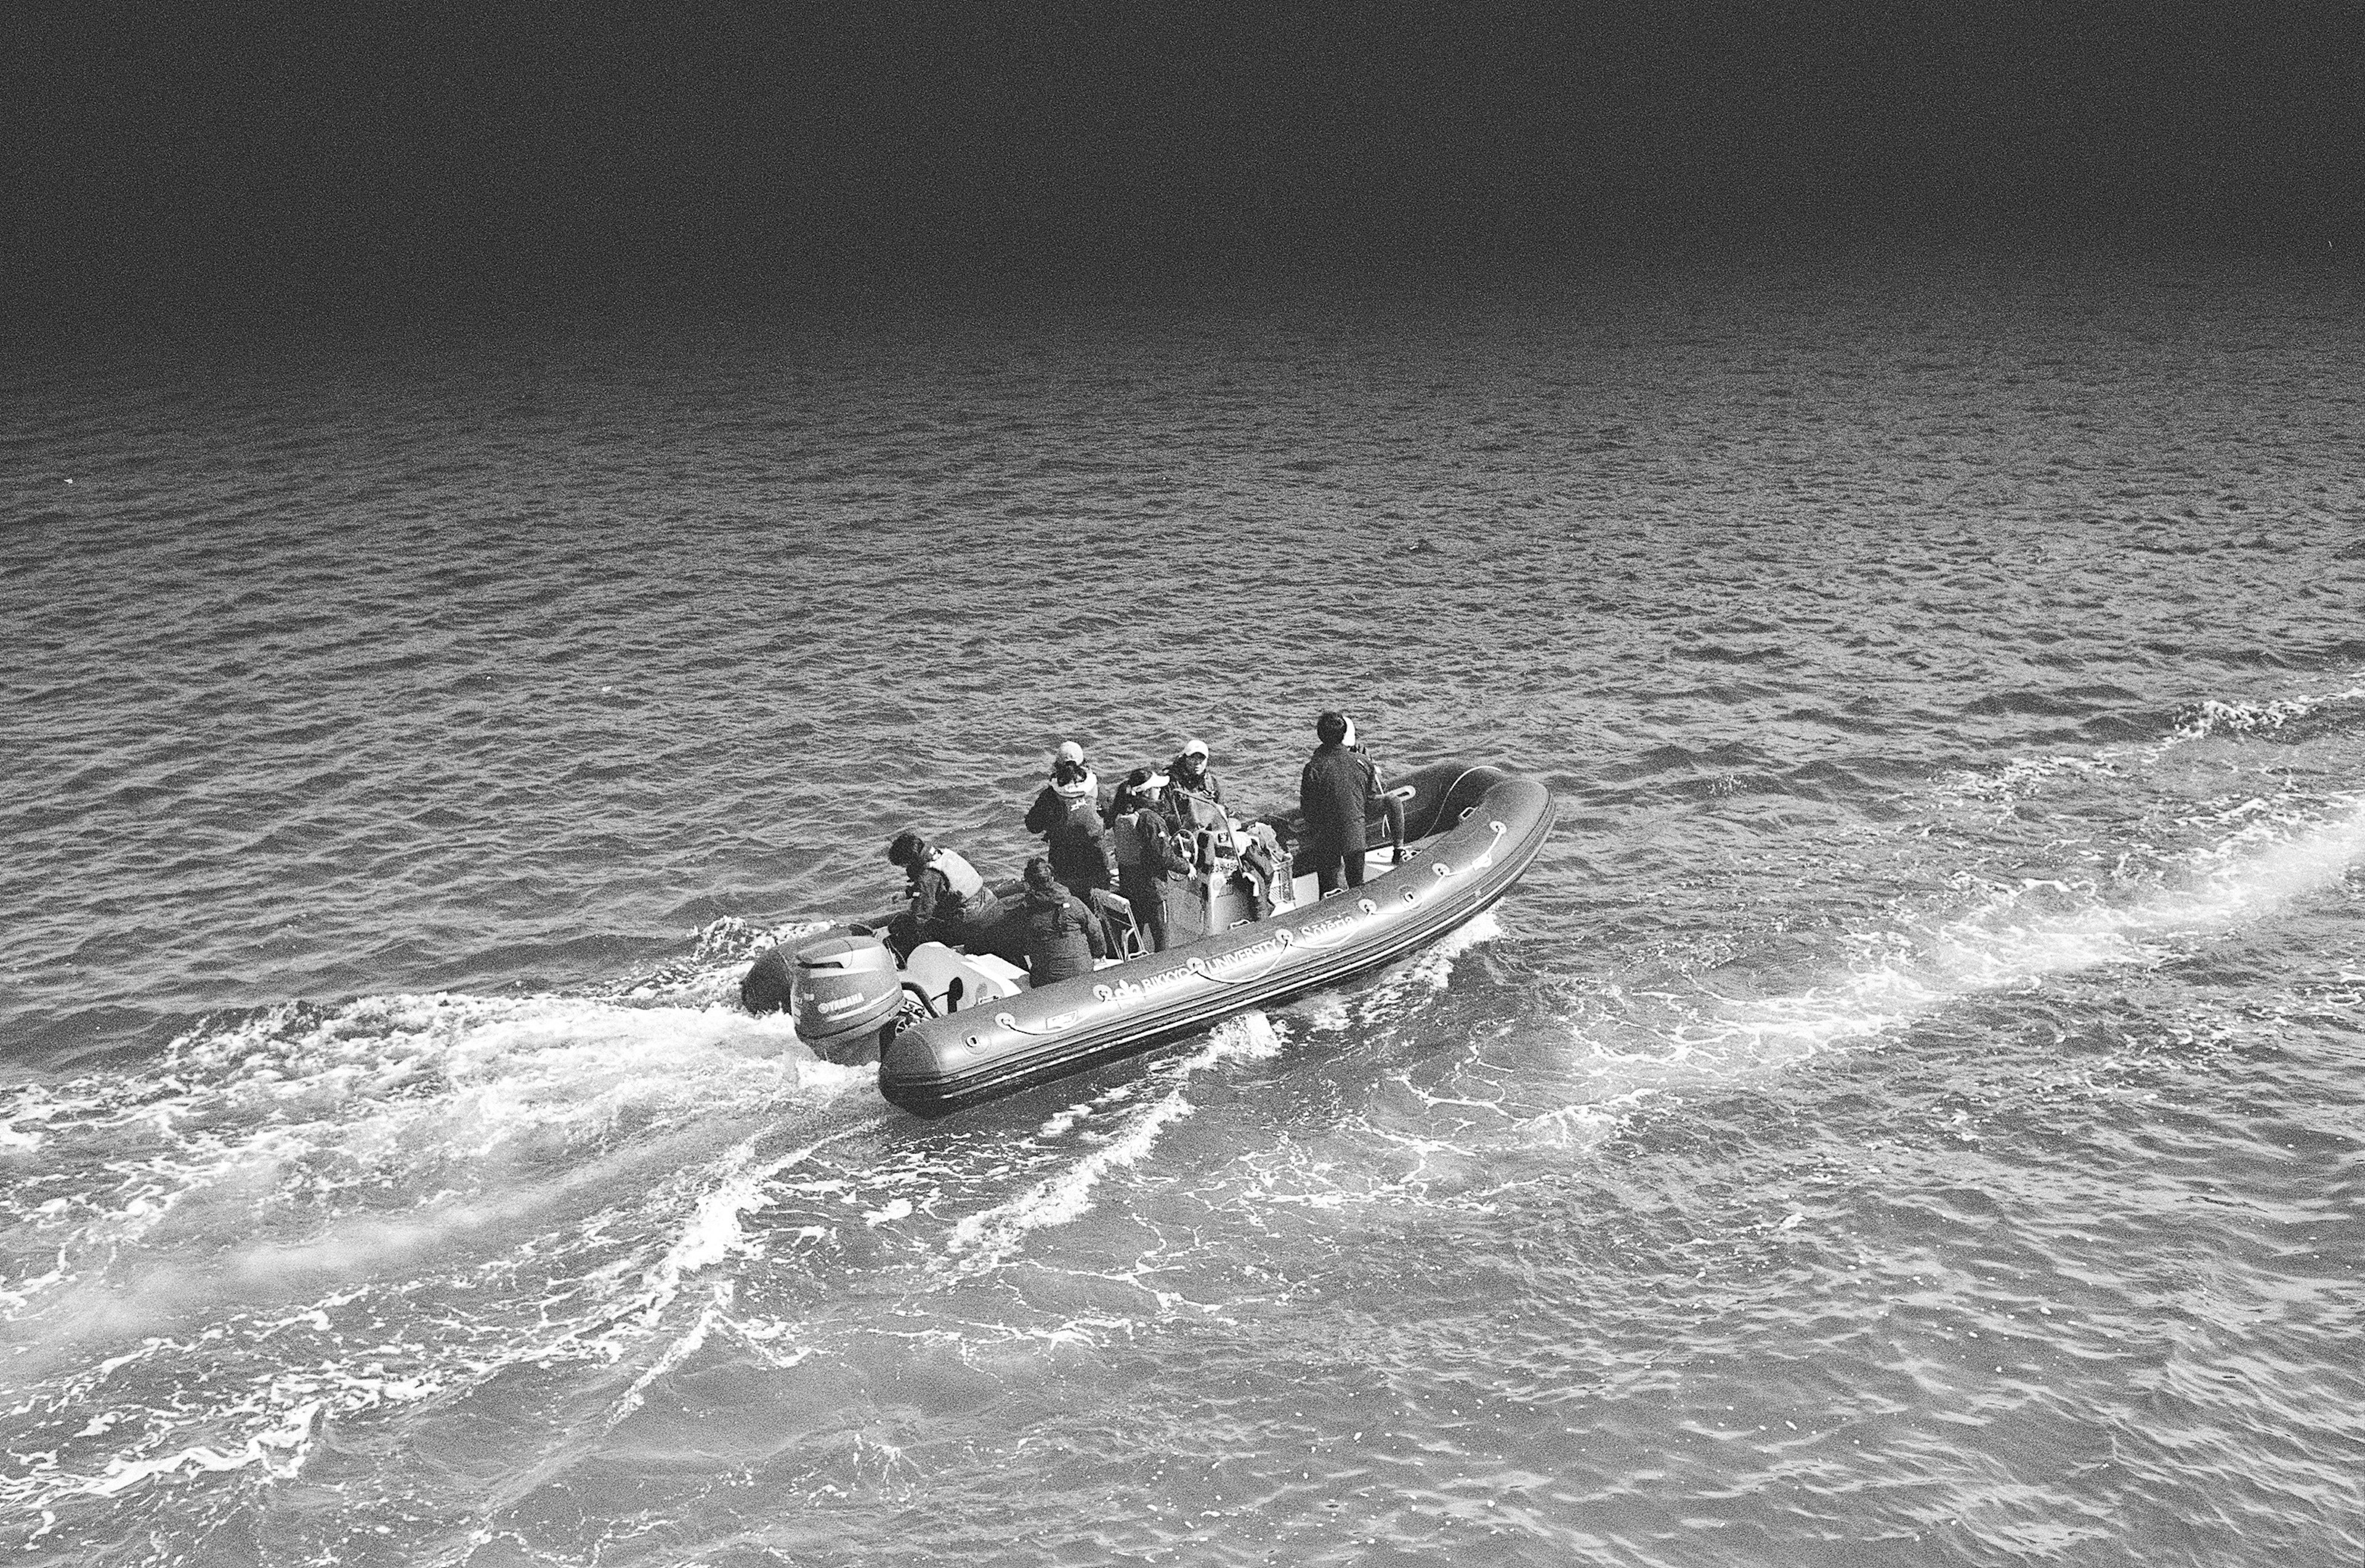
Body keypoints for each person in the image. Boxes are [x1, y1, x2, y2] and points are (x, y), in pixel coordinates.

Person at [1298, 709, 1390, 894]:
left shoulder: (1313, 768)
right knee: (1357, 884)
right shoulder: (1363, 762)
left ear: (1320, 735)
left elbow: (1309, 810)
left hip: (1328, 839)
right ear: (1344, 734)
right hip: (1355, 835)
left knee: (1328, 890)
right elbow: (1370, 800)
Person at [884, 831, 1003, 960]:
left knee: (908, 926)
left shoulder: (927, 876)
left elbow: (921, 915)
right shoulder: (942, 855)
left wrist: (897, 929)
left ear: (909, 862)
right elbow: (943, 885)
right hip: (992, 906)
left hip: (973, 923)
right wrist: (908, 894)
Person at [1109, 767, 1186, 952]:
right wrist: (1186, 867)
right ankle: (1165, 969)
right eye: (1157, 788)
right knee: (1161, 934)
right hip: (1152, 888)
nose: (1160, 791)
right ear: (1147, 792)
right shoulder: (1150, 819)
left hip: (1130, 884)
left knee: (1137, 932)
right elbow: (1163, 856)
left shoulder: (1122, 816)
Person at [1025, 739, 1114, 897]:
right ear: (1084, 763)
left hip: (1063, 865)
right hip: (1096, 862)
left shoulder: (1050, 796)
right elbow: (1110, 817)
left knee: (1069, 906)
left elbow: (1033, 826)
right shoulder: (1096, 789)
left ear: (1057, 766)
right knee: (1098, 904)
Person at [1016, 856, 1107, 987]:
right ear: (1052, 878)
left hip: (1047, 980)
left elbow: (1021, 943)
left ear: (1029, 883)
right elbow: (1096, 931)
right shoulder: (1074, 903)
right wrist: (1098, 953)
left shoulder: (1025, 912)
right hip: (1083, 972)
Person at [1166, 737, 1224, 810]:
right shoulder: (1172, 782)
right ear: (1185, 759)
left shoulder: (1211, 783)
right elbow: (1165, 813)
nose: (1197, 763)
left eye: (1201, 758)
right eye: (1193, 758)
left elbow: (1223, 808)